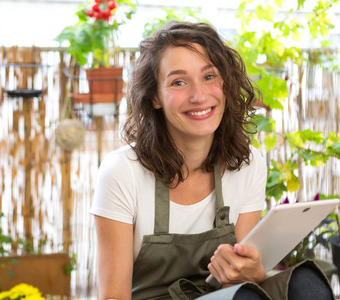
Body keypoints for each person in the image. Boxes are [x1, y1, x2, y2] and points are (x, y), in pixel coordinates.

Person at [90, 21, 334, 300]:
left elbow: (239, 283)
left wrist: (252, 271)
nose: (199, 95)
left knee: (305, 286)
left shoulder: (247, 163)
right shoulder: (123, 172)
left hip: (227, 296)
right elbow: (113, 297)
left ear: (226, 85)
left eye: (209, 77)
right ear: (155, 97)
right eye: (178, 82)